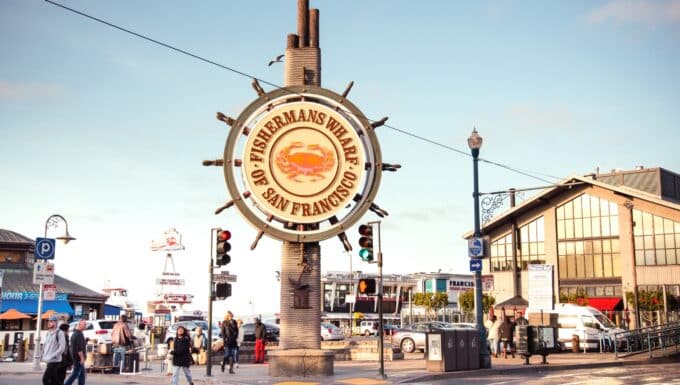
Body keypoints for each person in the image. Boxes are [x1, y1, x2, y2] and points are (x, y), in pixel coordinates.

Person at [42, 316, 66, 385]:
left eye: (51, 321)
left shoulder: (60, 333)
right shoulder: (48, 333)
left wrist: (52, 356)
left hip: (54, 361)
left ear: (56, 323)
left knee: (45, 379)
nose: (49, 323)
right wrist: (43, 355)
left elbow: (62, 348)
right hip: (48, 360)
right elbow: (46, 345)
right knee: (54, 380)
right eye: (48, 321)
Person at [65, 319, 87, 385]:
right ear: (80, 325)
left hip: (76, 358)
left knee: (82, 376)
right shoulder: (78, 335)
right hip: (78, 359)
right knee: (75, 374)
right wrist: (82, 358)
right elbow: (79, 349)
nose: (86, 326)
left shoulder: (76, 334)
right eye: (84, 324)